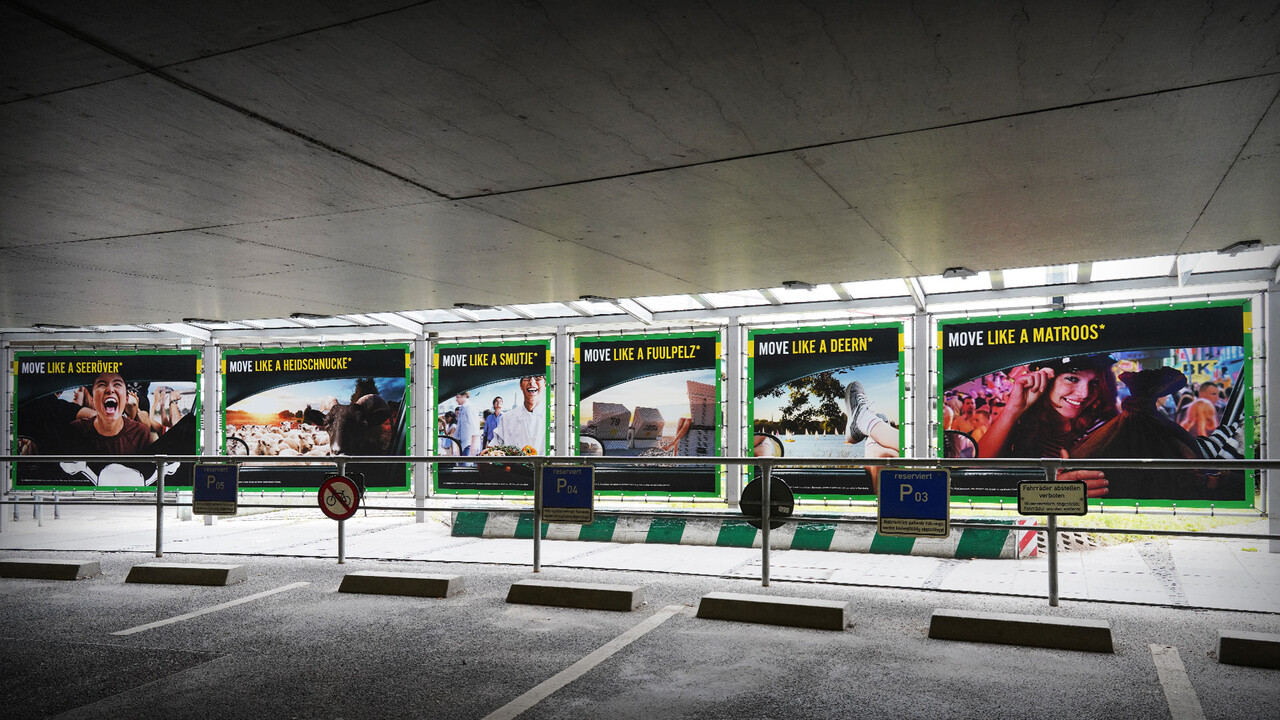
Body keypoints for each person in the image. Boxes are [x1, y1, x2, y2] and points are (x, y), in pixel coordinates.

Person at [976, 354, 1118, 497]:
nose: (1084, 394)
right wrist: (1013, 409)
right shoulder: (1022, 420)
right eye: (1072, 378)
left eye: (1094, 382)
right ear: (1045, 378)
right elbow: (976, 474)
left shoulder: (1102, 427)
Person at [66, 371, 152, 454]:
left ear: (126, 398)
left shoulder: (141, 434)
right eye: (102, 384)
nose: (110, 390)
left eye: (117, 384)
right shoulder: (75, 431)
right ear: (93, 400)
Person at [492, 375, 546, 453]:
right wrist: (489, 451)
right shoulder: (507, 418)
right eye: (527, 377)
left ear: (545, 384)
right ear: (520, 385)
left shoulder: (554, 418)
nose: (532, 382)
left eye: (537, 377)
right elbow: (496, 446)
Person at [453, 391, 479, 457]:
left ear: (464, 396)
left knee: (465, 466)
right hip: (463, 444)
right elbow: (459, 427)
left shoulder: (469, 407)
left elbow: (474, 426)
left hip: (469, 444)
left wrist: (473, 445)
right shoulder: (462, 408)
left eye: (457, 397)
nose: (456, 400)